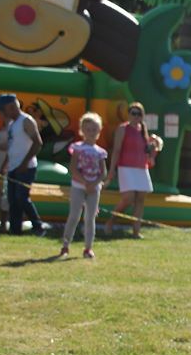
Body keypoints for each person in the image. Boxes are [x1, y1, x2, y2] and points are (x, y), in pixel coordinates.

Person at [103, 102, 157, 239]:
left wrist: (151, 151)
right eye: (133, 113)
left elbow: (146, 151)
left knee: (140, 199)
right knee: (128, 198)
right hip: (126, 167)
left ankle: (136, 231)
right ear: (128, 114)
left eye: (139, 114)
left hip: (141, 167)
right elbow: (116, 150)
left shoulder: (143, 130)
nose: (136, 116)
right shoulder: (123, 128)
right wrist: (112, 170)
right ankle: (111, 222)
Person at [60, 112, 108, 259]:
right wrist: (84, 182)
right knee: (74, 215)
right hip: (79, 186)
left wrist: (94, 183)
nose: (91, 133)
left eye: (94, 130)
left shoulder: (100, 152)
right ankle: (66, 244)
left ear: (99, 131)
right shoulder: (78, 148)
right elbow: (73, 169)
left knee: (90, 217)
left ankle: (88, 247)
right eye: (88, 130)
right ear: (82, 131)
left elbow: (103, 172)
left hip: (94, 188)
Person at [0, 93, 45, 236]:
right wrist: (4, 166)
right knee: (13, 200)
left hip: (26, 167)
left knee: (22, 198)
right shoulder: (12, 125)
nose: (2, 113)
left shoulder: (26, 121)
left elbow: (38, 143)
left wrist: (24, 163)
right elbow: (11, 147)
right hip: (13, 167)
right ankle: (15, 229)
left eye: (3, 109)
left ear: (11, 107)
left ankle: (38, 226)